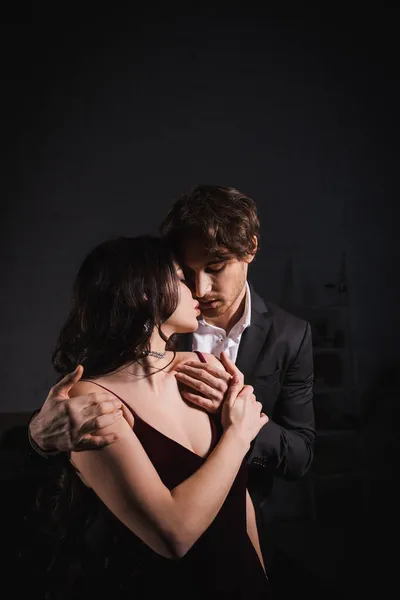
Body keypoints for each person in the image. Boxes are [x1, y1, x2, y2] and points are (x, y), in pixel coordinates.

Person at [28, 185, 315, 559]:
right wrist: (38, 435)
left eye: (215, 268)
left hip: (246, 529)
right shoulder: (155, 325)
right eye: (186, 273)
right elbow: (77, 410)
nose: (200, 289)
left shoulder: (291, 336)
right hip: (136, 544)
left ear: (251, 250)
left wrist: (241, 423)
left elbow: (300, 455)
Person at [37, 234, 270, 599]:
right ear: (144, 292)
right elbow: (173, 535)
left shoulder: (203, 368)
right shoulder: (90, 400)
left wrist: (261, 579)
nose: (196, 289)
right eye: (180, 277)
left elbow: (238, 498)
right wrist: (238, 435)